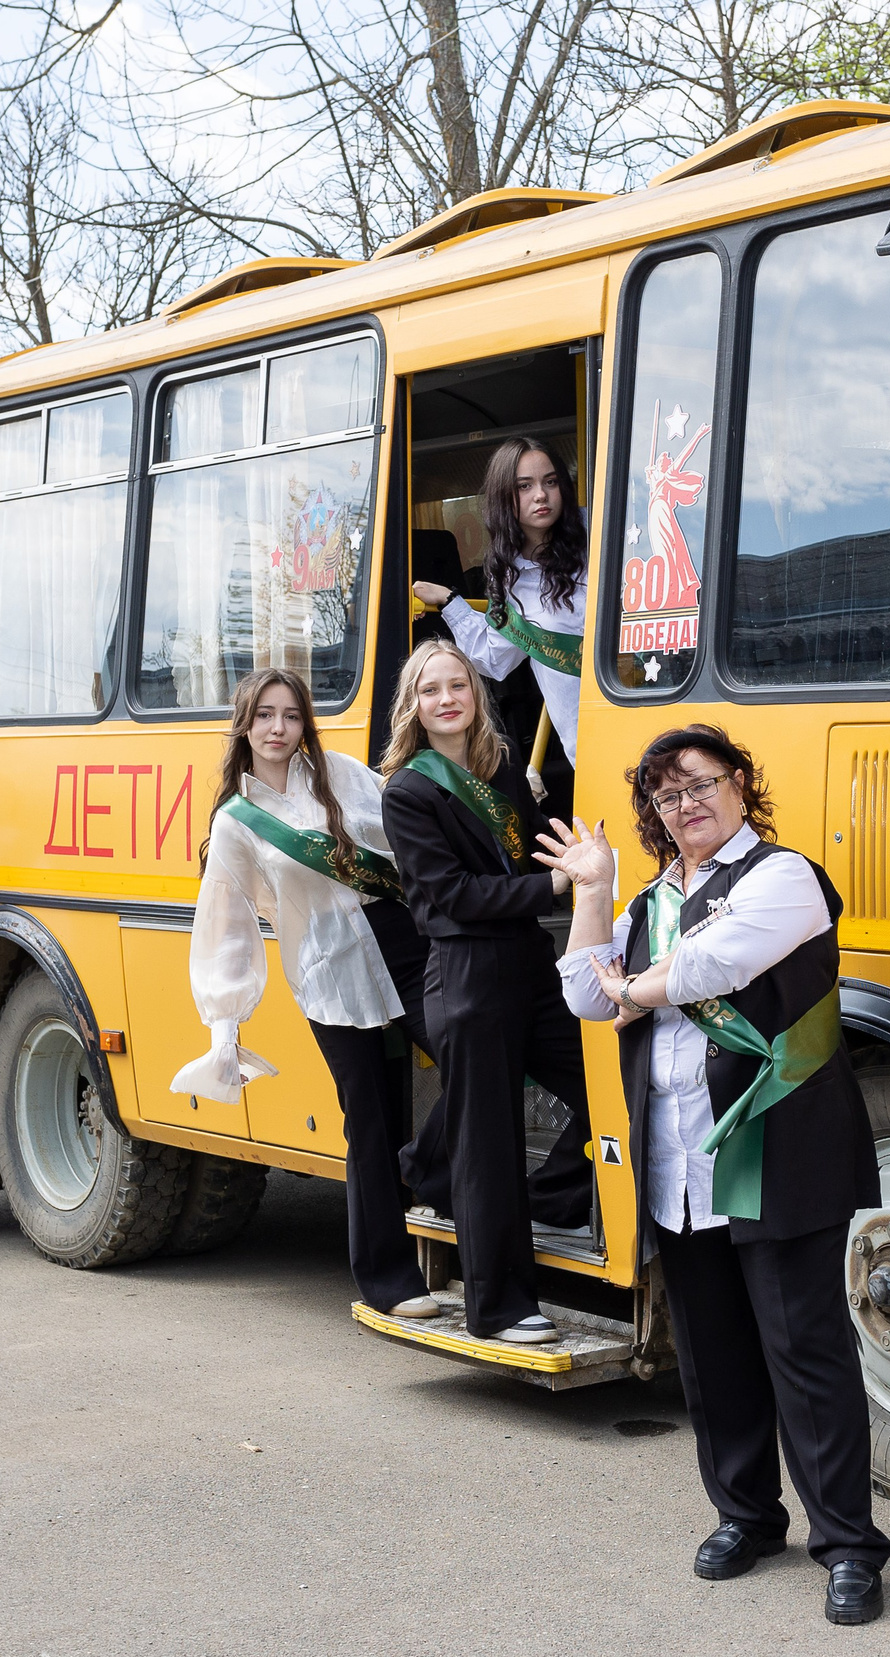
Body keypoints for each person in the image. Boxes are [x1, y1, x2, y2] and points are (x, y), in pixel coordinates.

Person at [540, 724, 890, 1626]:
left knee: (804, 1352)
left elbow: (714, 964)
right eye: (665, 795)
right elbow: (586, 992)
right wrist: (595, 891)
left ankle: (849, 1545)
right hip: (678, 1157)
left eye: (699, 784)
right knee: (712, 1354)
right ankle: (746, 1513)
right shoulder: (652, 898)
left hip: (775, 1149)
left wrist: (632, 989)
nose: (685, 804)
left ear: (739, 785)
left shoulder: (784, 877)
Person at [172, 668, 441, 1318]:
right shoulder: (236, 823)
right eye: (265, 715)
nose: (278, 728)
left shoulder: (340, 772)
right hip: (325, 967)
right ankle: (388, 1279)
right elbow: (227, 927)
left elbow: (407, 820)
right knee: (367, 1118)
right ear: (244, 722)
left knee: (471, 1054)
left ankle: (426, 1168)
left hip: (400, 942)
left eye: (291, 716)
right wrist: (225, 1029)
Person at [379, 639, 595, 1345]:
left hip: (531, 966)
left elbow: (533, 846)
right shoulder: (409, 790)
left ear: (474, 693)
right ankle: (499, 1307)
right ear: (413, 706)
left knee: (604, 1082)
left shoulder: (500, 768)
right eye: (431, 689)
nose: (447, 698)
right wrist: (552, 885)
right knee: (490, 1142)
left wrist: (571, 852)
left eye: (458, 685)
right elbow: (449, 897)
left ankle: (551, 1198)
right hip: (468, 976)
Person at [411, 439, 587, 787]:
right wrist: (450, 602)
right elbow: (495, 658)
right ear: (504, 497)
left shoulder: (602, 533)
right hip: (585, 741)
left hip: (643, 700)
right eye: (525, 486)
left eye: (551, 482)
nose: (541, 495)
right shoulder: (509, 575)